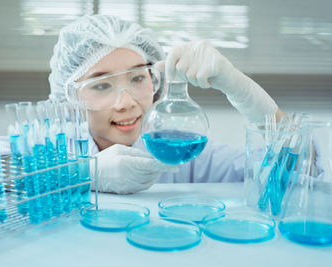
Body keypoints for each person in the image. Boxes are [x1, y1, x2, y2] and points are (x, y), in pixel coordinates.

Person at [48, 14, 286, 195]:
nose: (127, 103)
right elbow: (10, 173)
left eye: (137, 78)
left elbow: (291, 174)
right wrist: (80, 174)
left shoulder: (177, 149)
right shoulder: (50, 142)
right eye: (102, 85)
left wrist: (245, 94)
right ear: (70, 95)